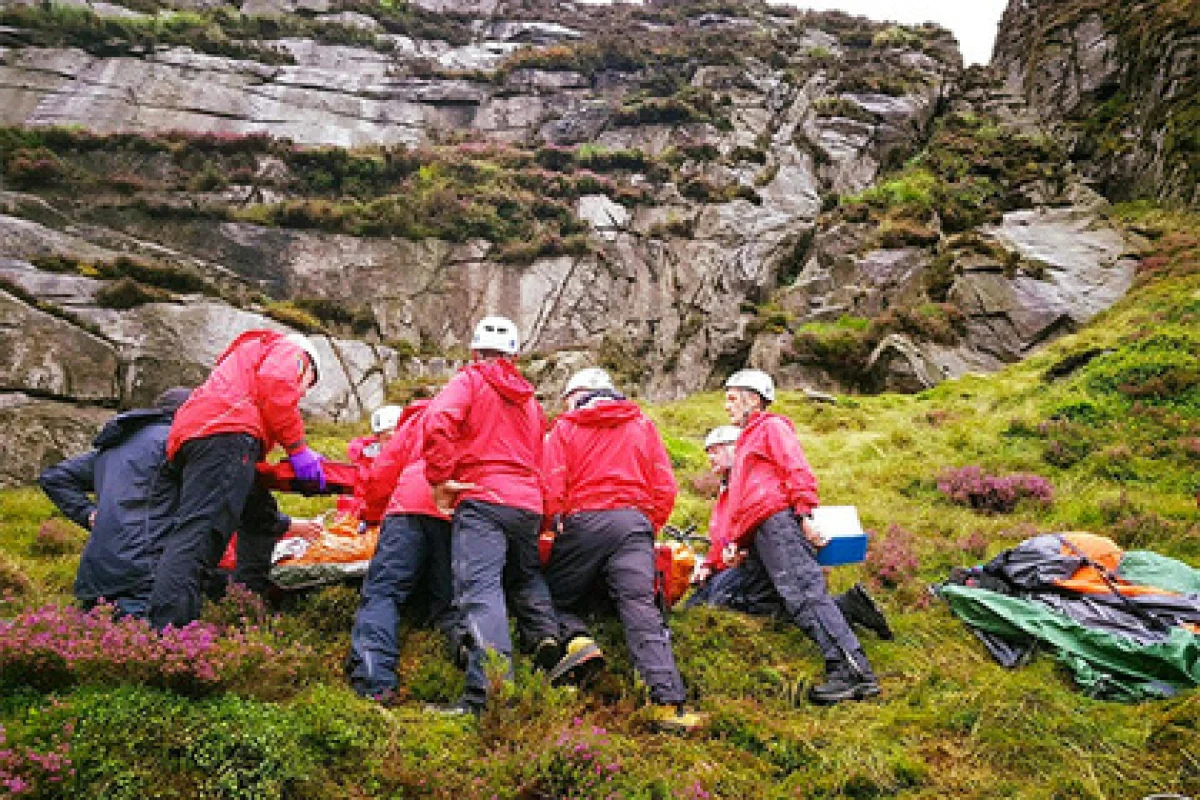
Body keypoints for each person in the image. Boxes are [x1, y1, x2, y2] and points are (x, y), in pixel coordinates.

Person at [541, 368, 702, 731]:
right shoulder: (641, 425)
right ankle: (667, 705)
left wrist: (554, 521)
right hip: (633, 524)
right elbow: (665, 485)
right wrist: (648, 527)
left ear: (579, 394)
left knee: (552, 596)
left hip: (584, 523)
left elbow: (550, 483)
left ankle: (579, 641)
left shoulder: (566, 428)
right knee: (641, 608)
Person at [421, 316, 560, 715]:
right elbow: (542, 459)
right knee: (524, 577)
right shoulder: (531, 403)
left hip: (483, 499)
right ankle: (545, 638)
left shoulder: (469, 381)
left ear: (474, 351)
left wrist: (441, 478)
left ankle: (488, 696)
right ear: (515, 355)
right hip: (527, 504)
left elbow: (437, 422)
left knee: (480, 592)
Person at [720, 369, 881, 705]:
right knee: (763, 600)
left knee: (804, 594)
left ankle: (853, 672)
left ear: (754, 398)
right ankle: (850, 607)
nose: (727, 406)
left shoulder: (771, 428)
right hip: (759, 533)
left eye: (732, 397)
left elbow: (797, 469)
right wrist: (739, 542)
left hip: (778, 522)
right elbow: (741, 500)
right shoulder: (747, 440)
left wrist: (805, 513)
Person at [147, 330, 326, 630]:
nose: (303, 393)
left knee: (258, 515)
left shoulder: (238, 369)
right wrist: (298, 448)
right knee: (200, 538)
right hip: (227, 434)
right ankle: (170, 637)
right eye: (308, 384)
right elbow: (276, 385)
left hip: (199, 436)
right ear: (308, 367)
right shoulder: (293, 351)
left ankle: (243, 607)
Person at [687, 426, 892, 642]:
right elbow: (723, 538)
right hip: (747, 563)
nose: (710, 457)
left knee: (726, 600)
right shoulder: (727, 489)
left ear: (736, 448)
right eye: (707, 452)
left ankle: (843, 609)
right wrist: (709, 565)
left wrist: (745, 549)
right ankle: (846, 607)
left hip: (771, 560)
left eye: (715, 450)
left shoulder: (754, 485)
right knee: (699, 601)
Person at [38, 387, 192, 619]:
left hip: (98, 571)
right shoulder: (174, 443)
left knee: (89, 647)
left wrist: (87, 513)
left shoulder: (115, 446)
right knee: (150, 647)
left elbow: (55, 478)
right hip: (146, 571)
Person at [346, 398, 460, 701]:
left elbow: (384, 470)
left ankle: (375, 680)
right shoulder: (471, 420)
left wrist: (371, 514)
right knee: (449, 602)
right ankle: (469, 667)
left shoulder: (417, 420)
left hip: (407, 509)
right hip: (453, 512)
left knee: (383, 594)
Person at [338, 404, 405, 518]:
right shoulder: (365, 463)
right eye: (388, 438)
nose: (393, 443)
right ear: (378, 439)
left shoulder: (415, 461)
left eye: (398, 437)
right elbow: (356, 497)